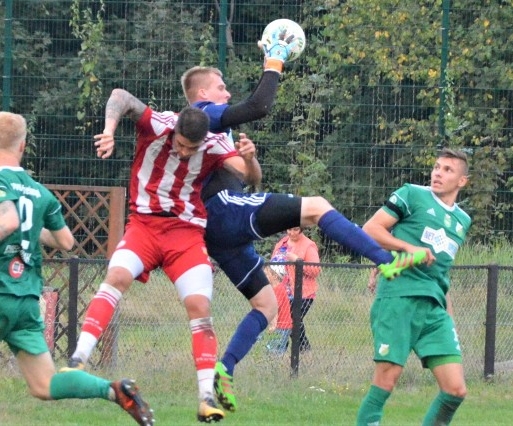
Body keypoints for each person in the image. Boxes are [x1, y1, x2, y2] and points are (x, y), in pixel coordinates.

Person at [181, 31, 427, 412]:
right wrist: (274, 60)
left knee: (266, 307)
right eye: (221, 87)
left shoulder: (212, 130)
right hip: (223, 211)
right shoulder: (203, 115)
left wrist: (248, 157)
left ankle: (224, 370)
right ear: (202, 96)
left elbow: (247, 177)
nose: (227, 93)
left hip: (221, 232)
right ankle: (387, 261)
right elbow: (259, 105)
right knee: (316, 207)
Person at [64, 90, 260, 423]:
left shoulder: (214, 144)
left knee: (200, 306)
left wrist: (251, 158)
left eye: (190, 148)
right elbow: (120, 96)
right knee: (117, 277)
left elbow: (251, 179)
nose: (184, 153)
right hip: (144, 226)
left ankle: (205, 399)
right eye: (180, 144)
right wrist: (109, 130)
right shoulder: (158, 124)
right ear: (176, 130)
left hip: (185, 233)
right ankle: (77, 360)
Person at [0, 112, 154, 426]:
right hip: (26, 301)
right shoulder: (40, 193)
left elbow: (7, 221)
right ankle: (115, 390)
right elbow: (67, 241)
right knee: (44, 385)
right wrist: (31, 232)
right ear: (23, 146)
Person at [356, 148, 471, 426]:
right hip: (398, 298)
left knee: (455, 390)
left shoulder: (462, 221)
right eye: (436, 167)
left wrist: (449, 317)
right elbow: (370, 230)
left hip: (434, 308)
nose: (438, 173)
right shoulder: (411, 194)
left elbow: (442, 272)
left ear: (462, 181)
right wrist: (408, 248)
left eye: (447, 170)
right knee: (387, 377)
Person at [270, 227, 320, 352]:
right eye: (289, 229)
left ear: (302, 229)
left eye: (295, 230)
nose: (291, 233)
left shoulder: (308, 246)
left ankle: (282, 349)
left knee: (292, 320)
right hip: (281, 292)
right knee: (292, 322)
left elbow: (315, 270)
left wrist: (297, 260)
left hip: (302, 293)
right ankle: (302, 350)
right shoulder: (282, 243)